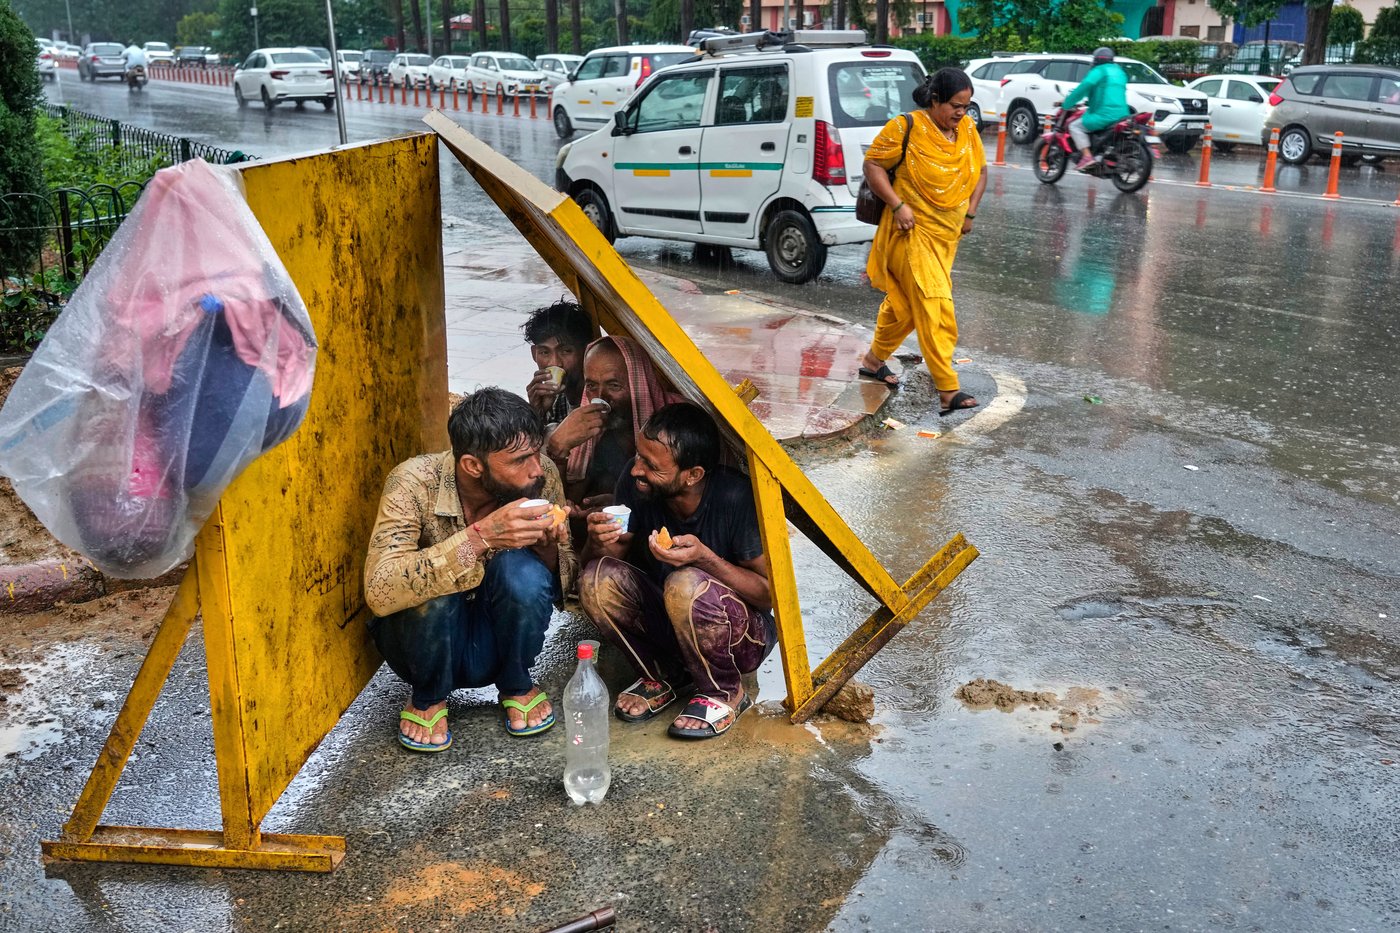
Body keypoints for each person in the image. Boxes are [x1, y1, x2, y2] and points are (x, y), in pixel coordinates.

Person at [363, 387, 576, 752]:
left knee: (520, 572)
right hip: (424, 642)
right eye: (520, 460)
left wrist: (547, 548)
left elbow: (563, 586)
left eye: (537, 452)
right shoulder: (413, 482)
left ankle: (517, 682)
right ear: (473, 466)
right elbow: (380, 591)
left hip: (499, 641)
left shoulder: (541, 477)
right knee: (435, 588)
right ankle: (429, 697)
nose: (536, 468)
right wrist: (480, 537)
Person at [579, 402, 775, 741]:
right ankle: (660, 675)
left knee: (685, 582)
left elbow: (768, 594)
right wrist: (599, 541)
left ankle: (724, 691)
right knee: (596, 579)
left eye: (651, 465)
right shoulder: (635, 482)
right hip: (672, 623)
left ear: (693, 475)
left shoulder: (736, 497)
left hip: (741, 637)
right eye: (639, 456)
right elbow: (612, 558)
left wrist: (703, 559)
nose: (637, 469)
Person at [858, 67, 987, 418]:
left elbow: (980, 171)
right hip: (908, 233)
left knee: (905, 308)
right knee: (934, 304)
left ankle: (873, 362)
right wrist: (898, 206)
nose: (961, 112)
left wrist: (970, 212)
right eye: (955, 106)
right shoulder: (906, 127)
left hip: (947, 236)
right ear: (935, 100)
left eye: (967, 105)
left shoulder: (967, 131)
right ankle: (948, 389)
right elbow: (873, 166)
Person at [560, 334, 680, 510]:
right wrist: (558, 449)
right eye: (592, 386)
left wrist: (624, 503)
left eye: (614, 385)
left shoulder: (678, 421)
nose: (601, 398)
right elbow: (572, 498)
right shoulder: (595, 432)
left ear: (638, 383)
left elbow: (689, 498)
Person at [522, 298, 593, 430]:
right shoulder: (554, 400)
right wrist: (537, 413)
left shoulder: (596, 399)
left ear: (586, 351)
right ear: (534, 354)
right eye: (544, 352)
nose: (555, 363)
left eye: (566, 351)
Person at [1061, 47, 1130, 172]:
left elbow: (1083, 87)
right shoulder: (1119, 72)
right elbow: (1108, 91)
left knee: (1074, 126)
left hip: (1103, 115)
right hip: (1123, 114)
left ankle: (1087, 156)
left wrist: (1067, 103)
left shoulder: (1099, 71)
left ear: (1096, 60)